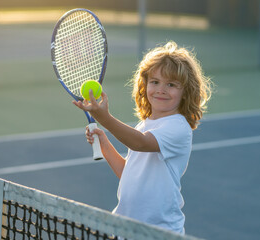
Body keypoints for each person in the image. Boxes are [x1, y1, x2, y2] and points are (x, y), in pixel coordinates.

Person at [73, 41, 212, 234]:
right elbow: (128, 173)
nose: (161, 89)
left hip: (159, 231)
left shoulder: (178, 127)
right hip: (126, 227)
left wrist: (104, 118)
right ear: (144, 85)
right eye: (155, 82)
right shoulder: (144, 125)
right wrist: (105, 144)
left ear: (185, 91)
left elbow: (140, 142)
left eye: (171, 84)